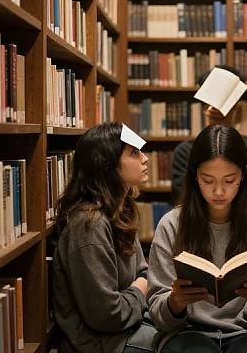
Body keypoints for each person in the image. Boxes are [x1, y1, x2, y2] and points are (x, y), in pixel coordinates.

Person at [147, 124, 247, 352]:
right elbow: (159, 316)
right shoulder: (171, 224)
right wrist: (175, 303)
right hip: (188, 331)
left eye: (228, 180)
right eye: (208, 180)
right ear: (195, 176)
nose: (218, 192)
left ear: (243, 176)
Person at [52, 122, 158, 353]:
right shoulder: (89, 225)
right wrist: (140, 289)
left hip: (127, 327)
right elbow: (108, 315)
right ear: (108, 165)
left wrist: (140, 286)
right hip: (98, 343)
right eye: (134, 153)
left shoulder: (121, 209)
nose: (145, 159)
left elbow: (143, 273)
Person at [171, 65, 247, 200]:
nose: (215, 108)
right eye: (209, 101)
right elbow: (182, 198)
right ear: (203, 104)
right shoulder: (184, 151)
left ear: (236, 103)